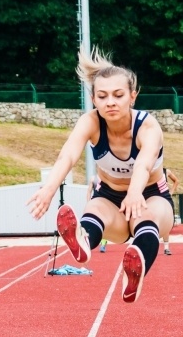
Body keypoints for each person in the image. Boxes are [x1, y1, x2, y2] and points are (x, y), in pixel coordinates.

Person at [26, 47, 174, 303]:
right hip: (109, 197)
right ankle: (84, 240)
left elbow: (143, 164)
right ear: (94, 100)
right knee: (94, 207)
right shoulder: (91, 122)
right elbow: (68, 155)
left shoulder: (148, 126)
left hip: (150, 194)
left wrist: (135, 193)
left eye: (118, 95)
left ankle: (134, 273)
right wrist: (48, 189)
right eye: (103, 96)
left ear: (132, 97)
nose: (111, 102)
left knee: (145, 218)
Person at [86, 175, 107, 252]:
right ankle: (89, 242)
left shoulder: (107, 177)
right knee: (92, 223)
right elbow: (89, 191)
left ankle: (103, 244)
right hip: (95, 203)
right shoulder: (93, 178)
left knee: (104, 224)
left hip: (105, 204)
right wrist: (88, 203)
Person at [162, 168, 179, 255]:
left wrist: (171, 191)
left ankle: (166, 247)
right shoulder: (148, 169)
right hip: (151, 198)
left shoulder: (166, 171)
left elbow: (176, 181)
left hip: (165, 198)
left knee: (166, 223)